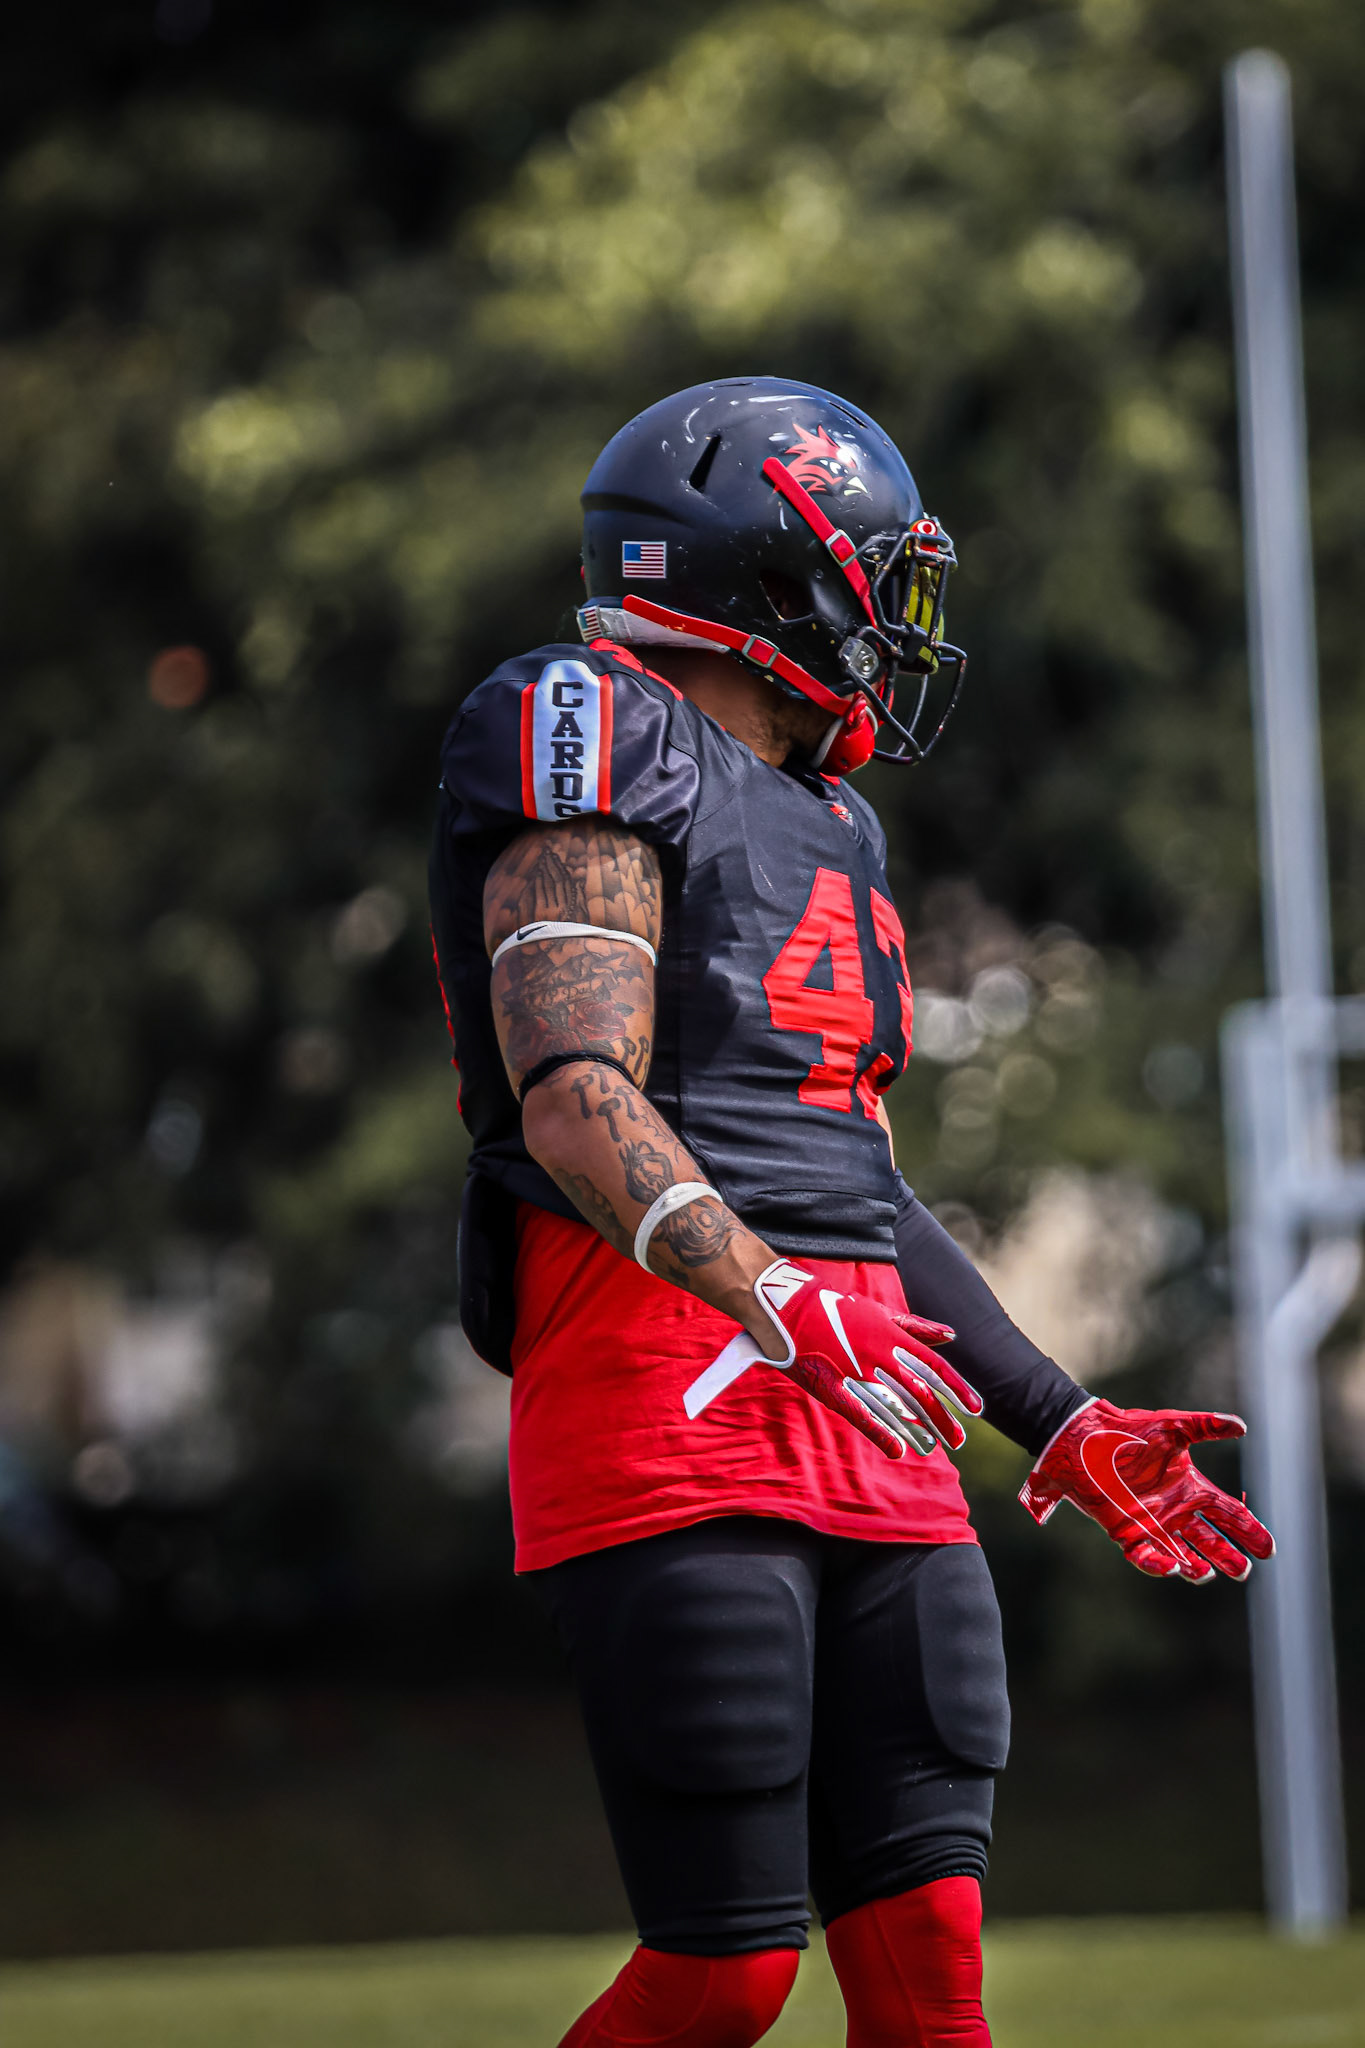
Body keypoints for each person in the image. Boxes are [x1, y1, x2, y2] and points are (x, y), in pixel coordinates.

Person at [428, 377, 1273, 2048]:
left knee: (931, 1972)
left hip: (860, 1392)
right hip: (667, 1389)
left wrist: (1056, 1417)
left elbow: (851, 1183)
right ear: (767, 575)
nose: (896, 624)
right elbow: (573, 1095)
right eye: (875, 580)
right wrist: (770, 1297)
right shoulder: (585, 717)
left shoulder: (835, 818)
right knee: (725, 1972)